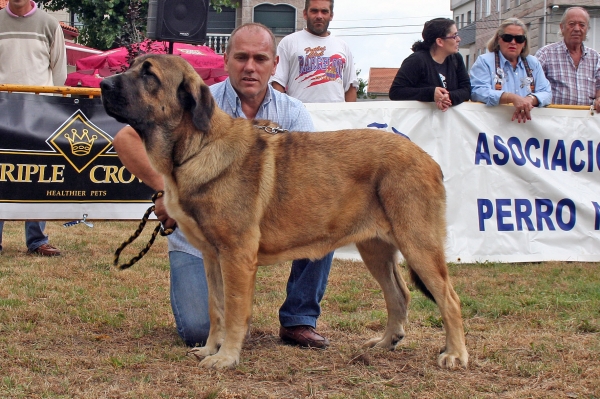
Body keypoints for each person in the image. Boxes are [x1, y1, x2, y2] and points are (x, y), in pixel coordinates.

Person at [113, 23, 331, 349]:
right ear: (226, 59)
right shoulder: (192, 99)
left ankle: (298, 319)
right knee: (198, 332)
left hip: (258, 226)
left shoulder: (293, 112)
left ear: (274, 65)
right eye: (241, 57)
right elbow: (126, 139)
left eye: (260, 59)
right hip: (199, 236)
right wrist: (167, 190)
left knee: (325, 216)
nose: (250, 67)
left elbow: (309, 177)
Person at [0, 0, 67, 256]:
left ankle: (37, 240)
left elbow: (59, 70)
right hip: (2, 109)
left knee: (38, 172)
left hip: (39, 111)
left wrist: (51, 106)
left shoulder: (50, 24)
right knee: (1, 172)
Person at [271, 0, 358, 102]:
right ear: (305, 14)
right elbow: (277, 83)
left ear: (331, 15)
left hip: (335, 116)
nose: (319, 16)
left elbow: (351, 87)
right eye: (314, 11)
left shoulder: (342, 46)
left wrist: (347, 116)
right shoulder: (288, 43)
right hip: (299, 115)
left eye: (324, 11)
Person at [470, 18, 552, 123]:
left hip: (528, 128)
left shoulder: (533, 63)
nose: (513, 42)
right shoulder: (484, 61)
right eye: (508, 38)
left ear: (524, 43)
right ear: (498, 39)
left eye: (519, 39)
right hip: (492, 126)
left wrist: (529, 100)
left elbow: (547, 93)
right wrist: (511, 98)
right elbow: (478, 92)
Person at [389, 18, 471, 111]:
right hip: (420, 122)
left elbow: (466, 90)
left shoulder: (456, 58)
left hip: (449, 123)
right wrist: (431, 93)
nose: (458, 39)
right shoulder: (416, 60)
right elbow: (396, 92)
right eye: (454, 36)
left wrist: (448, 97)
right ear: (440, 41)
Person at [535, 7, 600, 113]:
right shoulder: (545, 54)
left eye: (582, 25)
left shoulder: (595, 57)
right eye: (572, 24)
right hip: (554, 122)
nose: (577, 29)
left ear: (587, 29)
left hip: (586, 124)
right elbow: (532, 87)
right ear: (562, 27)